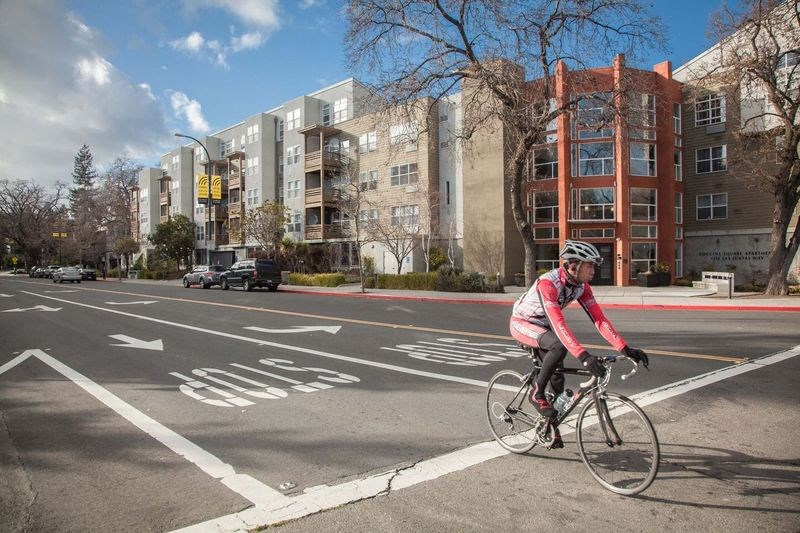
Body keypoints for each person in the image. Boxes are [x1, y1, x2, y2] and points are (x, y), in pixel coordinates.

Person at [509, 240, 649, 447]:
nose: (594, 269)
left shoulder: (582, 288)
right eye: (589, 265)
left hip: (545, 327)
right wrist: (584, 357)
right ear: (573, 265)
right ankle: (536, 393)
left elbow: (599, 320)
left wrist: (625, 348)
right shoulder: (548, 283)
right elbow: (558, 324)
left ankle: (550, 427)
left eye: (594, 265)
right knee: (558, 347)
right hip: (523, 323)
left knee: (558, 382)